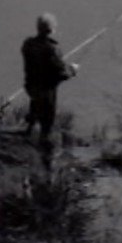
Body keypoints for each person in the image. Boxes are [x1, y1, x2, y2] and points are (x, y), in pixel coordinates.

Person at [21, 12, 76, 148]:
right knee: (47, 122)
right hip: (47, 91)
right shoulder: (52, 48)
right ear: (51, 29)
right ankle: (43, 151)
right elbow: (61, 73)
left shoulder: (28, 44)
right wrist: (73, 70)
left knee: (34, 107)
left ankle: (29, 133)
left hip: (31, 86)